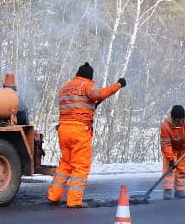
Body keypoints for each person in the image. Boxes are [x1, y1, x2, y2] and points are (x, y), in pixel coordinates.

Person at [46, 62, 126, 208]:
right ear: (89, 76)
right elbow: (99, 94)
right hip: (79, 130)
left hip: (63, 129)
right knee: (80, 166)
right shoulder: (85, 85)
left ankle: (53, 196)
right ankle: (74, 201)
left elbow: (77, 105)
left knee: (65, 163)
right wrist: (118, 84)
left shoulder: (65, 87)